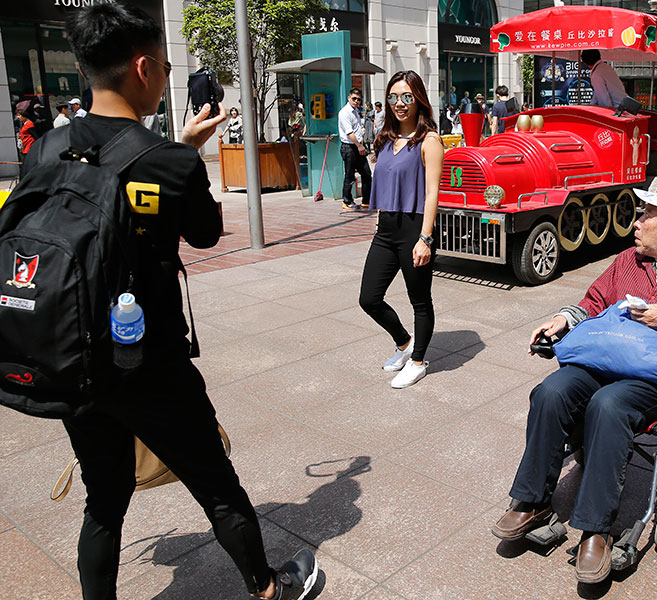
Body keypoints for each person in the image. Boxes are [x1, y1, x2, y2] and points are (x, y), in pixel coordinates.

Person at [22, 5, 319, 599]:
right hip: (149, 363)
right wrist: (185, 156)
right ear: (142, 68)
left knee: (104, 503)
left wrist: (175, 149)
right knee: (214, 482)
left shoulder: (48, 148)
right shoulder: (167, 159)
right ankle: (268, 588)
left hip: (72, 360)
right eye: (160, 64)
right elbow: (205, 232)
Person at [491, 186, 657, 585]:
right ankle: (532, 501)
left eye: (646, 216)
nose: (635, 223)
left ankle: (596, 528)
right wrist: (564, 319)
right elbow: (593, 301)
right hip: (605, 361)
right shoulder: (628, 261)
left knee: (608, 405)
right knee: (550, 392)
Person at [359, 70, 443, 389]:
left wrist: (425, 238)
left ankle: (419, 360)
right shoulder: (386, 139)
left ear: (418, 98)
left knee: (419, 299)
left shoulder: (429, 141)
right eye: (393, 97)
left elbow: (433, 192)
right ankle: (405, 343)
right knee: (369, 298)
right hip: (386, 229)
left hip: (413, 229)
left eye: (407, 97)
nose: (399, 103)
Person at [338, 87, 372, 210]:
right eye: (354, 98)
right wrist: (359, 145)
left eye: (358, 99)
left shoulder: (356, 111)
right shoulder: (344, 112)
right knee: (350, 175)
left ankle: (367, 200)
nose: (356, 101)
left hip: (358, 146)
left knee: (366, 173)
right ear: (349, 98)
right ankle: (347, 201)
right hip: (349, 147)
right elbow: (349, 132)